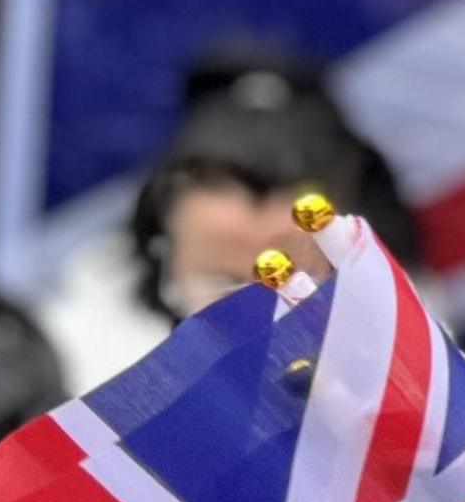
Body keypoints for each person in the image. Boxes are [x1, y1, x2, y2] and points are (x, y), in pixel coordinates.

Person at [32, 48, 427, 395]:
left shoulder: (410, 360)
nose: (256, 222)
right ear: (163, 211)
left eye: (276, 282)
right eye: (218, 282)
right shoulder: (58, 356)